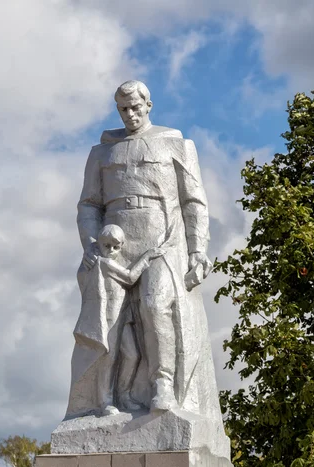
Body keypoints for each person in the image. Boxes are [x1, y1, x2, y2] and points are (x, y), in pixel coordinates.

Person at [66, 80, 221, 424]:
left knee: (155, 304)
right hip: (115, 244)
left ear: (149, 105)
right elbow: (88, 205)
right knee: (110, 325)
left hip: (161, 240)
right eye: (124, 109)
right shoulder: (102, 152)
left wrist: (197, 250)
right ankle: (104, 399)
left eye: (136, 107)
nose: (130, 114)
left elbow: (193, 201)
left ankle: (162, 385)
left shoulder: (175, 144)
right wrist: (91, 243)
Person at [72, 224, 165, 416]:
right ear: (99, 244)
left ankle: (124, 395)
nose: (111, 251)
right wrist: (146, 257)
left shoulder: (108, 261)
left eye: (116, 247)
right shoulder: (103, 263)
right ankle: (105, 401)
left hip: (123, 316)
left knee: (132, 355)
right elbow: (130, 278)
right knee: (109, 358)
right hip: (108, 319)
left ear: (122, 245)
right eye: (106, 246)